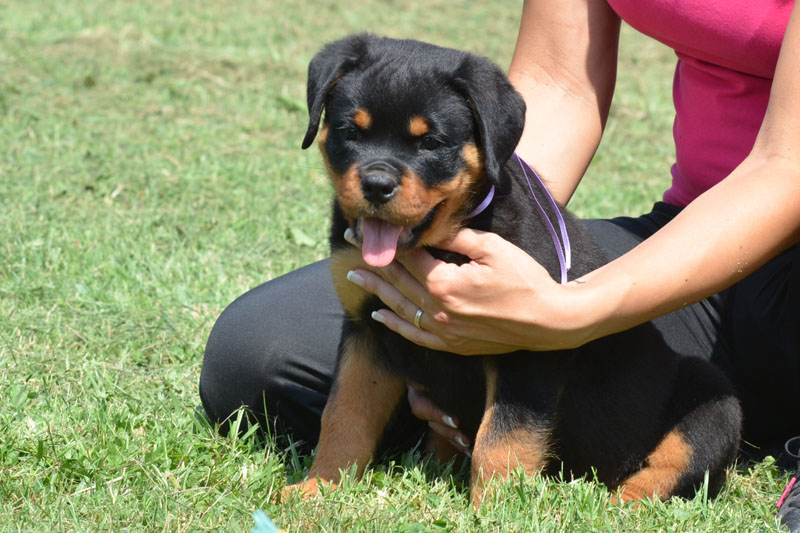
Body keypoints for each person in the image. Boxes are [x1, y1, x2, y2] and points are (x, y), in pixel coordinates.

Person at [199, 0, 800, 527]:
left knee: (675, 396)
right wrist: (482, 244)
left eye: (425, 143)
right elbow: (557, 83)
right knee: (261, 351)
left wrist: (569, 309)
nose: (378, 174)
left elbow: (787, 166)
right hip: (688, 228)